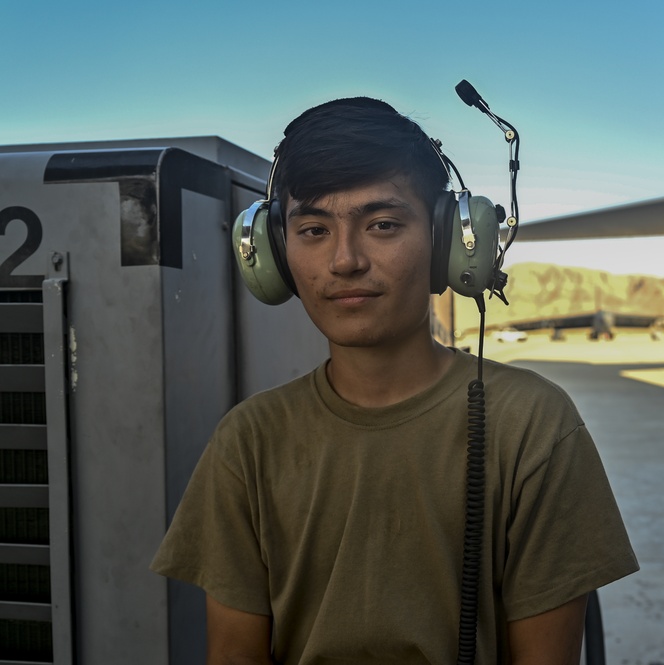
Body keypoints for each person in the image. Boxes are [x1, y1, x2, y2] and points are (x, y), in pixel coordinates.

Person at [151, 96, 638, 664]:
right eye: (312, 229)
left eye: (382, 224)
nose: (344, 260)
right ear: (274, 255)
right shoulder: (247, 442)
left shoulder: (531, 425)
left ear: (449, 243)